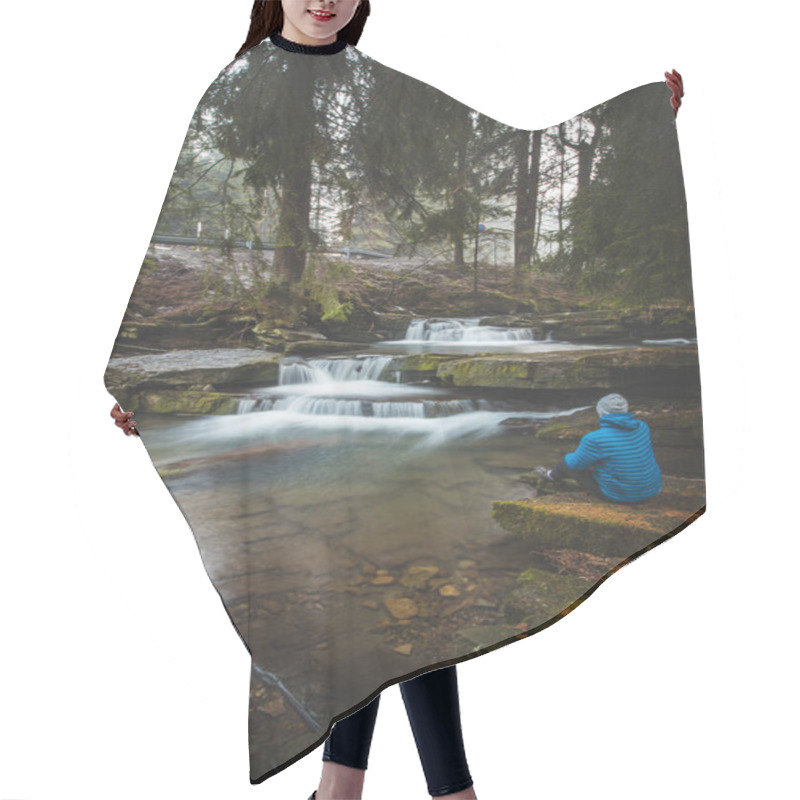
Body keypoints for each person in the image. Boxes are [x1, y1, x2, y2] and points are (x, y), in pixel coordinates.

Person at [113, 3, 478, 799]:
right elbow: (182, 229)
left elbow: (480, 149)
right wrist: (154, 381)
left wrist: (642, 134)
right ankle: (400, 791)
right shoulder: (236, 88)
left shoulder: (379, 93)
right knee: (350, 584)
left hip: (365, 371)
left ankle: (361, 790)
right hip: (299, 374)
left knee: (399, 576)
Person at [545, 393, 662, 504]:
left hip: (621, 496)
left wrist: (572, 458)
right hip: (650, 490)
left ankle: (550, 476)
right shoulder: (641, 427)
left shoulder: (595, 438)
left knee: (566, 463)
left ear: (600, 413)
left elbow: (575, 465)